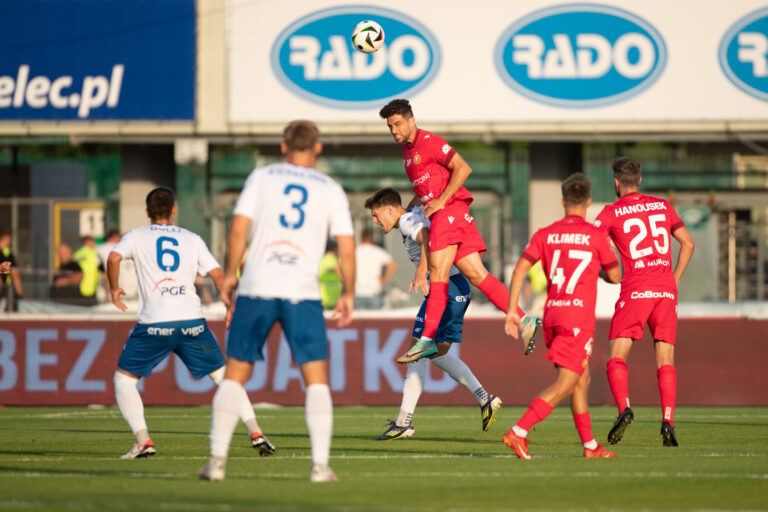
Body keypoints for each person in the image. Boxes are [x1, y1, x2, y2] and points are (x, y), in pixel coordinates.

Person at [201, 120, 355, 483]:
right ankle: (319, 466)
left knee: (235, 375)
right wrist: (348, 292)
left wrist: (231, 275)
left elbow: (238, 228)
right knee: (315, 380)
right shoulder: (331, 189)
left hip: (257, 285)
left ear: (283, 146)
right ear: (317, 148)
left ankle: (217, 463)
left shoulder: (262, 177)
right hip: (302, 291)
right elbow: (346, 247)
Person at [108, 187, 274, 459]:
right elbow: (217, 273)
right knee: (224, 378)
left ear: (147, 212)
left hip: (155, 323)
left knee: (123, 381)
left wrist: (114, 289)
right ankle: (255, 431)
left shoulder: (136, 237)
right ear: (174, 210)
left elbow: (113, 257)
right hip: (192, 321)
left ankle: (143, 441)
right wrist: (229, 305)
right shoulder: (191, 238)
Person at [379, 99, 540, 363]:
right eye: (390, 127)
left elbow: (463, 168)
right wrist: (412, 206)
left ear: (411, 120)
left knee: (438, 273)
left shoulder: (429, 141)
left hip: (450, 213)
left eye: (398, 124)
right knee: (478, 275)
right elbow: (426, 191)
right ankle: (524, 319)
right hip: (454, 215)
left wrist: (441, 201)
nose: (394, 130)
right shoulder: (407, 153)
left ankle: (427, 339)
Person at [365, 188, 504, 439]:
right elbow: (419, 199)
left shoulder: (407, 221)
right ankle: (485, 398)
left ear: (389, 210)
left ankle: (404, 422)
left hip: (446, 290)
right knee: (436, 353)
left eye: (376, 215)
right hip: (459, 288)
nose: (375, 222)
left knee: (416, 350)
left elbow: (427, 238)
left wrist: (421, 271)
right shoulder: (413, 213)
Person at [502, 173, 622, 459]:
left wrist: (511, 311)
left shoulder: (545, 233)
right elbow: (616, 275)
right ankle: (518, 432)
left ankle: (590, 446)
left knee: (580, 381)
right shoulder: (595, 235)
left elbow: (519, 270)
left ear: (562, 202)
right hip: (577, 319)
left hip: (553, 315)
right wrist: (598, 272)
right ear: (589, 202)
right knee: (566, 384)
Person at [593, 157, 694, 447]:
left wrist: (605, 273)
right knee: (665, 360)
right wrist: (674, 279)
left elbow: (597, 247)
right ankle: (668, 420)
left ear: (616, 183)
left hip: (636, 288)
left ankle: (624, 408)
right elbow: (688, 243)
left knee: (617, 355)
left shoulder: (611, 212)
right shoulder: (662, 206)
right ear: (640, 179)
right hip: (665, 289)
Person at [355, 228, 398, 309]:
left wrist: (347, 281)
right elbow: (393, 265)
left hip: (358, 291)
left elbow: (338, 267)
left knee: (359, 321)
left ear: (361, 238)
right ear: (371, 238)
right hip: (374, 291)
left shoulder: (355, 251)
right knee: (375, 320)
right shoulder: (377, 251)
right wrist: (384, 279)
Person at [0, 228, 23, 311]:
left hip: (6, 289)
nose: (10, 242)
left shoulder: (8, 253)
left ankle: (20, 298)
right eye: (9, 239)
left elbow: (13, 271)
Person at [319, 240, 343, 310]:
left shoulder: (320, 261)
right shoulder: (337, 261)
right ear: (334, 249)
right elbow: (342, 278)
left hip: (322, 299)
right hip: (336, 299)